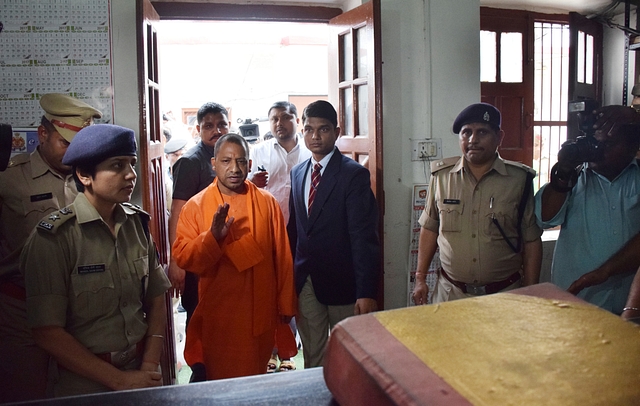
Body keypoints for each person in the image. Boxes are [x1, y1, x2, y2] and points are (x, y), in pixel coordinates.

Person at [20, 124, 171, 397]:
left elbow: (157, 299)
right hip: (84, 382)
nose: (131, 175)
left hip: (140, 371)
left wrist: (149, 364)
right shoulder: (54, 238)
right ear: (84, 175)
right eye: (117, 166)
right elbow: (47, 331)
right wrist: (118, 381)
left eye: (132, 164)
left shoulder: (136, 224)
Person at [0, 93, 102, 402]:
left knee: (78, 391)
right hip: (22, 310)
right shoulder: (9, 179)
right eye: (65, 143)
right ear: (43, 134)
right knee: (26, 392)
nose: (74, 153)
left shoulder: (89, 177)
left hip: (78, 308)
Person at [172, 133, 296, 381]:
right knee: (220, 383)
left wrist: (285, 305)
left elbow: (282, 257)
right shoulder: (196, 206)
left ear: (250, 164)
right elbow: (184, 257)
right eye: (226, 161)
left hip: (258, 313)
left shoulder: (267, 202)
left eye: (241, 161)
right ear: (213, 164)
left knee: (254, 381)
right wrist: (213, 238)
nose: (235, 169)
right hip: (219, 315)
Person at [412, 102, 542, 306]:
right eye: (466, 133)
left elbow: (531, 240)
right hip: (450, 294)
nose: (473, 140)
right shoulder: (442, 177)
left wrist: (532, 290)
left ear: (499, 137)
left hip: (504, 296)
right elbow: (429, 227)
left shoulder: (519, 180)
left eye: (482, 132)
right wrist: (420, 279)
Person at [288, 100, 380, 368]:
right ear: (302, 131)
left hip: (345, 285)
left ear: (336, 132)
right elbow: (295, 232)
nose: (315, 136)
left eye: (323, 129)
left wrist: (366, 291)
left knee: (349, 357)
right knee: (313, 357)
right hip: (306, 282)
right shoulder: (297, 173)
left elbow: (364, 238)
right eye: (308, 129)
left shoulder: (354, 176)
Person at [535, 105, 640, 314]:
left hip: (630, 305)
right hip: (578, 302)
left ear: (633, 146)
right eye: (595, 142)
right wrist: (563, 171)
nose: (597, 150)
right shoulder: (572, 180)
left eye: (608, 144)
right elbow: (545, 219)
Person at [249, 101, 311, 372]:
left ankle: (289, 350)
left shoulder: (310, 151)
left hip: (303, 231)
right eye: (273, 118)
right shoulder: (257, 151)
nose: (279, 123)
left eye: (285, 117)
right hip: (268, 231)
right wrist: (251, 183)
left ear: (296, 121)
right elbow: (241, 189)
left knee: (296, 287)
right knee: (269, 288)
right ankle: (272, 350)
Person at [168, 102, 230, 325]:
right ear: (198, 130)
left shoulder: (228, 157)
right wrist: (176, 261)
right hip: (197, 256)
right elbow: (177, 211)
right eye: (209, 126)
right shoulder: (190, 162)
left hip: (223, 256)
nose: (217, 131)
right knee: (199, 321)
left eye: (222, 125)